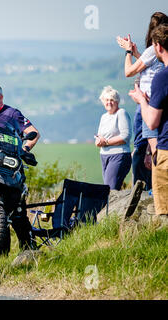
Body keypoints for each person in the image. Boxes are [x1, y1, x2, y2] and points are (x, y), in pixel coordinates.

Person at [0, 83, 40, 250]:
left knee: (16, 210)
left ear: (0, 98)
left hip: (11, 170)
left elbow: (34, 133)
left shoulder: (12, 113)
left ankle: (29, 249)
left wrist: (24, 150)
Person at [116, 11, 168, 190]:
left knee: (143, 148)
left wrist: (128, 52)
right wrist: (138, 53)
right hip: (156, 102)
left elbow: (129, 71)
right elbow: (151, 64)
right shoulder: (156, 52)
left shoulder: (152, 50)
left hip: (147, 103)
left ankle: (144, 189)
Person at [129, 23, 168, 216]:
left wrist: (141, 100)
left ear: (158, 47)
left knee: (164, 215)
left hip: (166, 150)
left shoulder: (162, 77)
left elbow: (152, 122)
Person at [95, 86, 132, 190]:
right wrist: (98, 142)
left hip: (119, 155)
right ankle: (114, 206)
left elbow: (125, 136)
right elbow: (99, 136)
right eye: (107, 100)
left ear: (117, 101)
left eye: (112, 100)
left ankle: (112, 206)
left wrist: (106, 142)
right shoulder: (104, 117)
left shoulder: (121, 113)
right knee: (108, 188)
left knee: (110, 189)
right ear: (103, 101)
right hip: (104, 155)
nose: (109, 103)